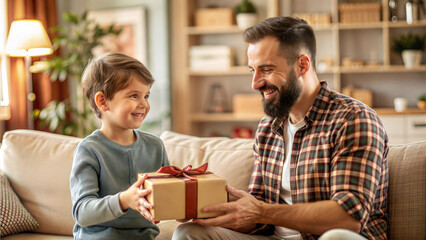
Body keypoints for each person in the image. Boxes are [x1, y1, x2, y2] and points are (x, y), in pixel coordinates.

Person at [172, 16, 389, 240]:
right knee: (189, 232)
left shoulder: (352, 119)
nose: (255, 83)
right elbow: (258, 216)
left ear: (302, 65)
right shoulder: (268, 129)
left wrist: (261, 211)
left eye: (266, 69)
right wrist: (212, 210)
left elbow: (348, 218)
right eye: (252, 70)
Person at [70, 52, 169, 240]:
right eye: (134, 95)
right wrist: (123, 200)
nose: (144, 104)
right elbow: (82, 213)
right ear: (103, 102)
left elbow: (165, 198)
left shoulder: (155, 146)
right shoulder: (89, 150)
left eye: (146, 96)